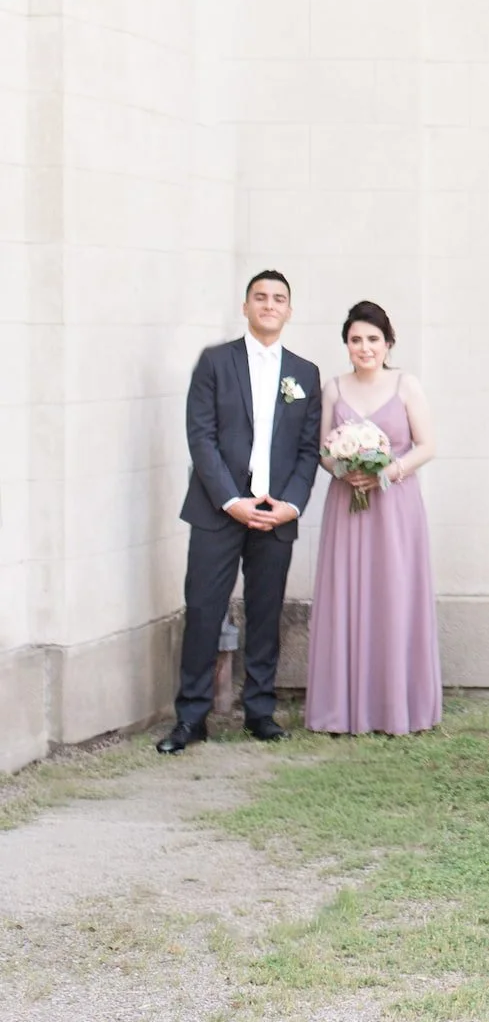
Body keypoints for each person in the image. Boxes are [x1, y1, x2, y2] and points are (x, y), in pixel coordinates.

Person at [157, 270, 321, 753]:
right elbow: (201, 436)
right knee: (205, 610)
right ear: (246, 306)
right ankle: (191, 717)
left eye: (279, 299)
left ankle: (260, 711)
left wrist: (290, 504)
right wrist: (232, 500)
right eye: (261, 297)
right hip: (218, 510)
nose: (270, 305)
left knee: (266, 612)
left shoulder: (304, 373)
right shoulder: (215, 362)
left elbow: (308, 449)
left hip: (275, 513)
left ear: (289, 310)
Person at [304, 300, 442, 736]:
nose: (365, 348)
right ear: (346, 344)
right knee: (347, 595)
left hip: (395, 508)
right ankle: (342, 709)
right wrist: (345, 469)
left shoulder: (406, 385)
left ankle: (396, 707)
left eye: (373, 340)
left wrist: (387, 472)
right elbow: (323, 450)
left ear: (388, 343)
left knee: (394, 595)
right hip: (347, 504)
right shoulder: (334, 388)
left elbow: (427, 445)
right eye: (356, 340)